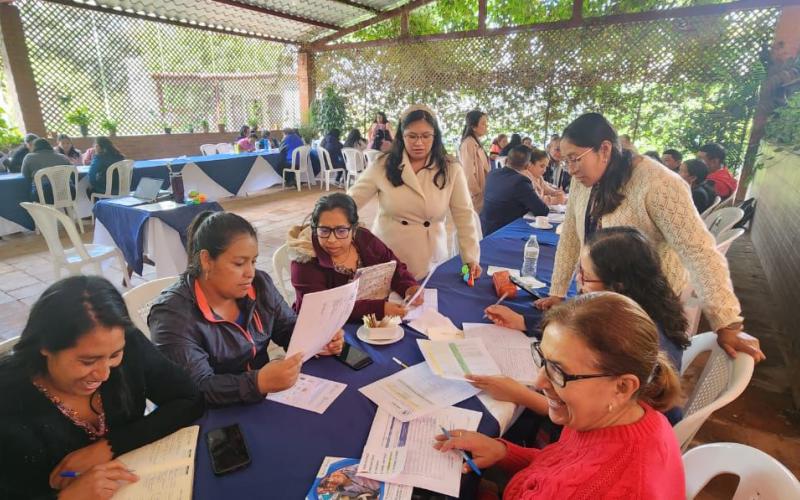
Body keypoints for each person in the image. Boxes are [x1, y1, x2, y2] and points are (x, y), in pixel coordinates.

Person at [534, 112, 764, 362]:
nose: (571, 169)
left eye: (575, 159)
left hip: (644, 313)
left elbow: (698, 251)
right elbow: (570, 236)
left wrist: (727, 323)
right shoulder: (584, 180)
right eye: (565, 161)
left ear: (604, 149)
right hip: (603, 305)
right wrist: (557, 292)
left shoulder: (660, 184)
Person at [435, 292, 685, 499]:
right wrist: (504, 452)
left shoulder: (597, 487)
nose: (539, 381)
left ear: (622, 387)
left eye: (559, 371)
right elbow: (562, 462)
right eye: (543, 360)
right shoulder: (630, 415)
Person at [0, 275, 203, 500]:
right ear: (45, 346)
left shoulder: (120, 342)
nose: (105, 374)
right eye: (87, 362)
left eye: (115, 356)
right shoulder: (10, 401)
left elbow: (189, 398)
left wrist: (107, 448)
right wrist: (67, 497)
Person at [482, 226, 690, 424]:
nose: (577, 280)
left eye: (586, 276)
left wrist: (520, 395)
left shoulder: (637, 344)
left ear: (617, 286)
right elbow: (582, 322)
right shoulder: (643, 311)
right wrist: (524, 321)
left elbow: (590, 415)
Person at [149, 211, 344, 407]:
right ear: (206, 260)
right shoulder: (172, 316)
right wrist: (258, 382)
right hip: (213, 415)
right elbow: (197, 388)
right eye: (239, 263)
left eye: (253, 261)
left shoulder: (260, 285)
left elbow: (287, 328)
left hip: (261, 400)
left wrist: (318, 339)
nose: (250, 273)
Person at [348, 104, 481, 280]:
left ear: (435, 136)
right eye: (412, 136)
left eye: (426, 136)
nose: (419, 143)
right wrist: (324, 220)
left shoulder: (451, 168)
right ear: (402, 137)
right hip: (389, 252)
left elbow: (464, 215)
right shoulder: (383, 164)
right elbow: (350, 202)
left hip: (431, 254)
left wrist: (470, 258)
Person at [288, 193, 422, 322]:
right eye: (324, 230)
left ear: (354, 229)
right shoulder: (304, 261)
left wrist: (409, 287)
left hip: (367, 318)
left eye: (341, 231)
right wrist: (379, 309)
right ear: (314, 228)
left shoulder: (364, 239)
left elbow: (393, 265)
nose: (332, 240)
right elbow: (324, 308)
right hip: (323, 327)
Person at [480, 145, 549, 236]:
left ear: (507, 160)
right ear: (528, 165)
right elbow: (542, 211)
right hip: (505, 232)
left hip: (484, 229)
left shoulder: (492, 174)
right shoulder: (520, 181)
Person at [459, 110, 490, 212]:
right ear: (473, 126)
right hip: (476, 195)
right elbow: (467, 173)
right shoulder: (468, 143)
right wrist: (476, 193)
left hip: (483, 192)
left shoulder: (475, 141)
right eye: (483, 124)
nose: (486, 126)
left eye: (486, 124)